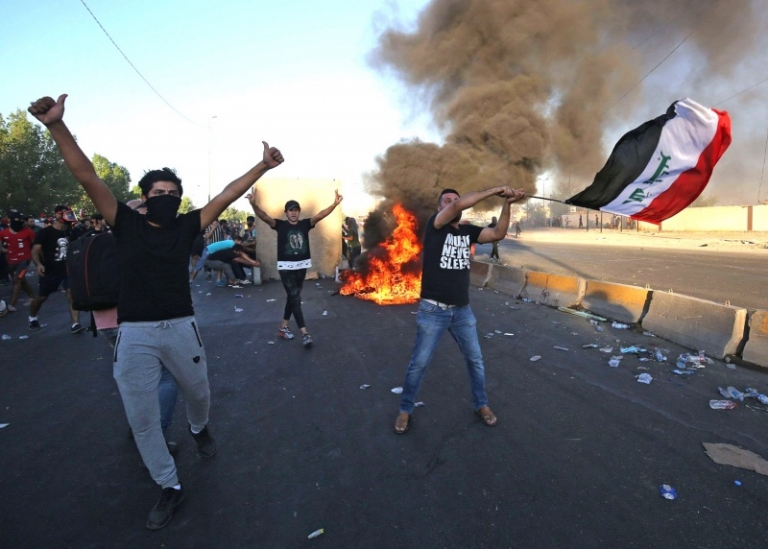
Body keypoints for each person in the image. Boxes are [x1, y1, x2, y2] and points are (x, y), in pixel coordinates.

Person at [29, 93, 284, 530]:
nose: (166, 197)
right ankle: (169, 485)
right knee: (142, 418)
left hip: (182, 328)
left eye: (172, 193)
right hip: (135, 333)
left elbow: (227, 194)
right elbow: (86, 174)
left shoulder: (187, 225)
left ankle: (199, 429)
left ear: (180, 200)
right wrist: (56, 126)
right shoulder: (124, 223)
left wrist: (262, 166)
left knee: (199, 395)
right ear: (144, 198)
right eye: (158, 192)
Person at [393, 186, 526, 435]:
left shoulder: (468, 231)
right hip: (433, 310)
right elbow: (458, 207)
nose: (454, 203)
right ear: (439, 208)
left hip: (462, 312)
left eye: (456, 199)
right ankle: (405, 409)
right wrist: (496, 189)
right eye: (448, 201)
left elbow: (498, 233)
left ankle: (481, 405)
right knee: (419, 363)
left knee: (475, 360)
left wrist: (507, 203)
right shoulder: (435, 226)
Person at [247, 188, 342, 347]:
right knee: (295, 298)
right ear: (286, 213)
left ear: (299, 212)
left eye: (296, 210)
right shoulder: (280, 225)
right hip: (286, 268)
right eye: (290, 210)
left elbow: (320, 215)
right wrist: (253, 204)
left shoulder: (305, 224)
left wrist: (334, 204)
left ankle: (283, 327)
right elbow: (264, 216)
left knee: (293, 298)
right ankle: (304, 333)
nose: (293, 213)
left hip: (301, 267)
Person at [29, 205, 84, 332]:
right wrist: (38, 264)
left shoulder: (71, 231)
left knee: (71, 294)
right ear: (57, 214)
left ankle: (75, 324)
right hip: (50, 270)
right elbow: (35, 250)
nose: (66, 216)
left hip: (67, 269)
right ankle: (32, 317)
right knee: (42, 297)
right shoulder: (45, 232)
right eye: (64, 213)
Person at [0, 211, 38, 312]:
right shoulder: (3, 233)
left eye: (21, 221)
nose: (20, 223)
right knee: (21, 280)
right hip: (11, 261)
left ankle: (11, 305)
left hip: (25, 260)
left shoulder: (29, 232)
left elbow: (35, 246)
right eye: (17, 220)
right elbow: (1, 248)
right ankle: (33, 297)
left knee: (17, 279)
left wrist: (37, 261)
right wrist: (6, 250)